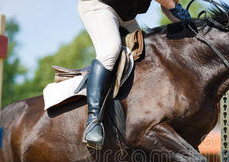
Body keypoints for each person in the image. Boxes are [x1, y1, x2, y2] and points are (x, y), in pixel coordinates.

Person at [78, 0, 191, 149]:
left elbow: (169, 6)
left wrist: (187, 24)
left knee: (149, 57)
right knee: (110, 51)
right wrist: (175, 8)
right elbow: (169, 4)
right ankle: (93, 122)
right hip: (98, 6)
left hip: (126, 17)